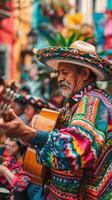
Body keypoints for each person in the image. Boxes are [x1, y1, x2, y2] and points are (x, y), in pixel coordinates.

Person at [0, 40, 112, 200]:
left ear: (84, 74)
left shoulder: (94, 101)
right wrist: (22, 133)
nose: (59, 78)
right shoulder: (71, 106)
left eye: (65, 72)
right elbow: (53, 136)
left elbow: (77, 148)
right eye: (59, 73)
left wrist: (26, 132)